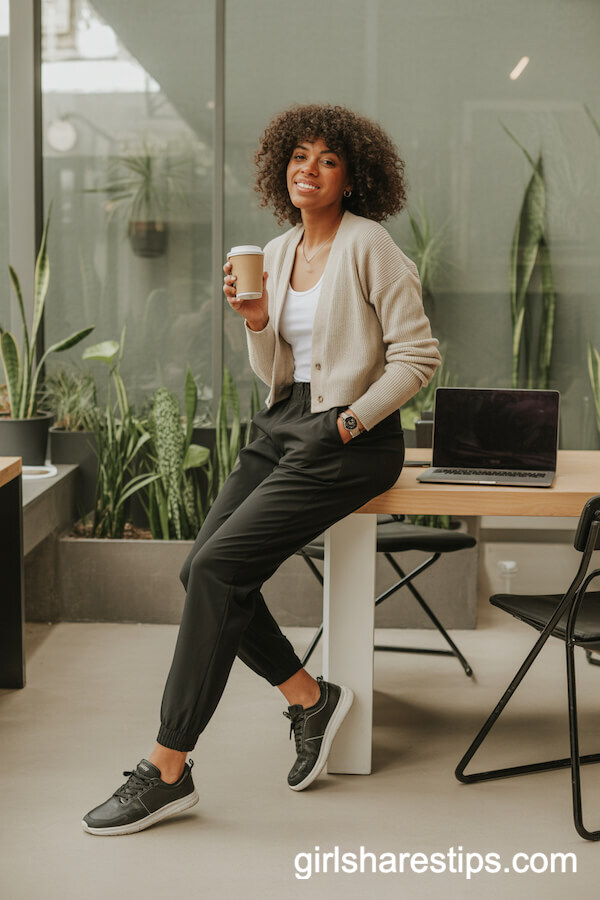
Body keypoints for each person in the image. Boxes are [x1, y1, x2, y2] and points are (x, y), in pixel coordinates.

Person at [82, 103, 441, 836]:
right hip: (279, 423)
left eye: (328, 159)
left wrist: (350, 420)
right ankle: (310, 697)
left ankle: (167, 767)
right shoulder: (274, 254)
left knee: (216, 570)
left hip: (350, 436)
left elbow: (418, 357)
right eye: (299, 155)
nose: (309, 168)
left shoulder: (371, 246)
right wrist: (253, 323)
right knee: (202, 571)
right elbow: (275, 368)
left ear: (352, 176)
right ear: (283, 167)